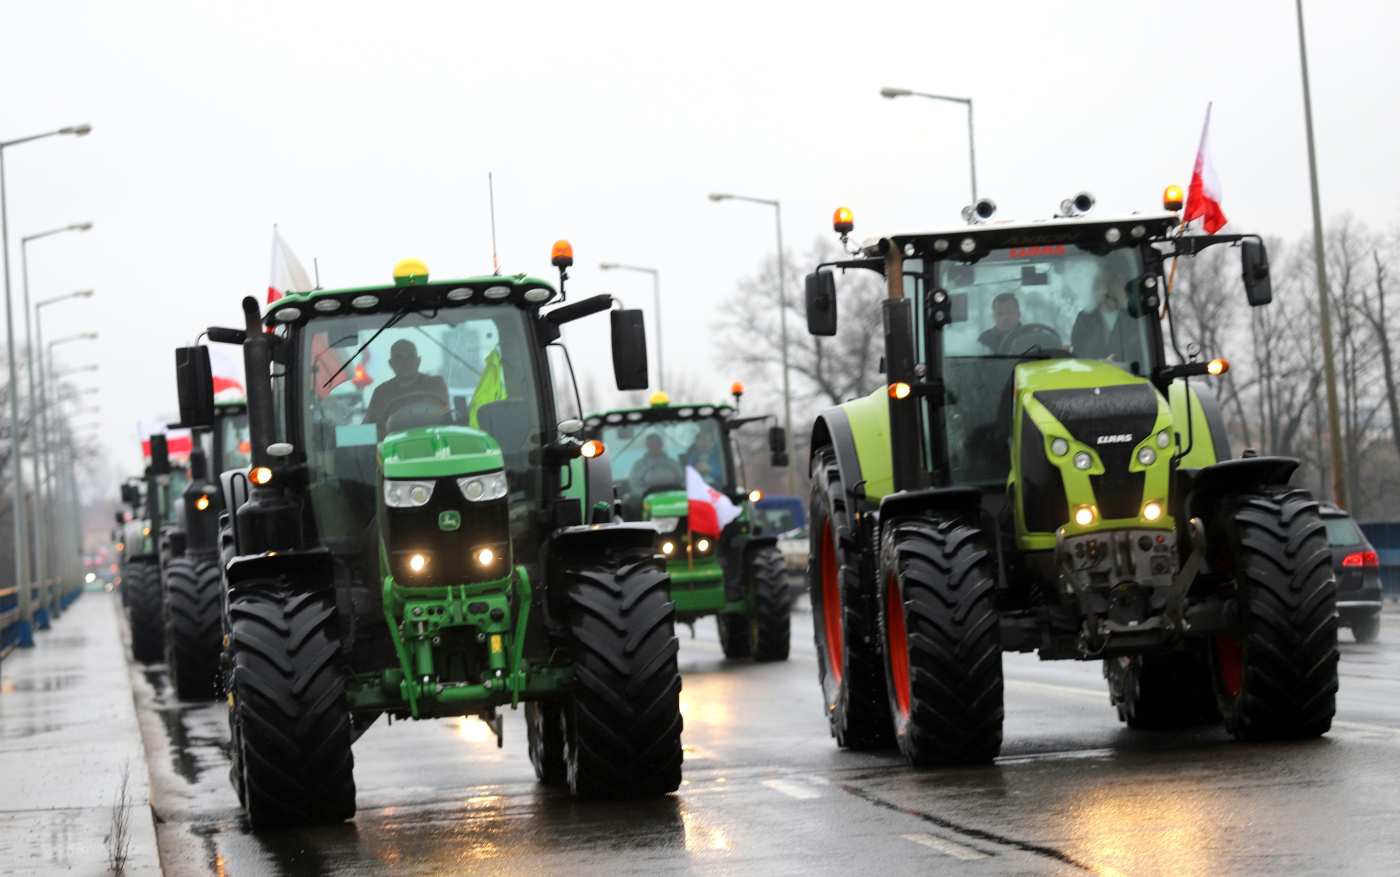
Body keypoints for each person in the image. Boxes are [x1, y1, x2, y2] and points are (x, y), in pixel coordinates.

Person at [364, 339, 450, 430]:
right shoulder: (380, 393)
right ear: (391, 363)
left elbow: (438, 417)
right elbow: (368, 430)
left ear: (418, 361)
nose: (406, 363)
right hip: (391, 442)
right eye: (399, 358)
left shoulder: (435, 384)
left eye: (410, 357)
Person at [1071, 272, 1145, 368]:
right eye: (1099, 286)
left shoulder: (1134, 318)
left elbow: (1144, 359)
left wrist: (1124, 366)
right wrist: (1099, 363)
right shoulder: (1085, 319)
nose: (1111, 292)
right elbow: (1078, 354)